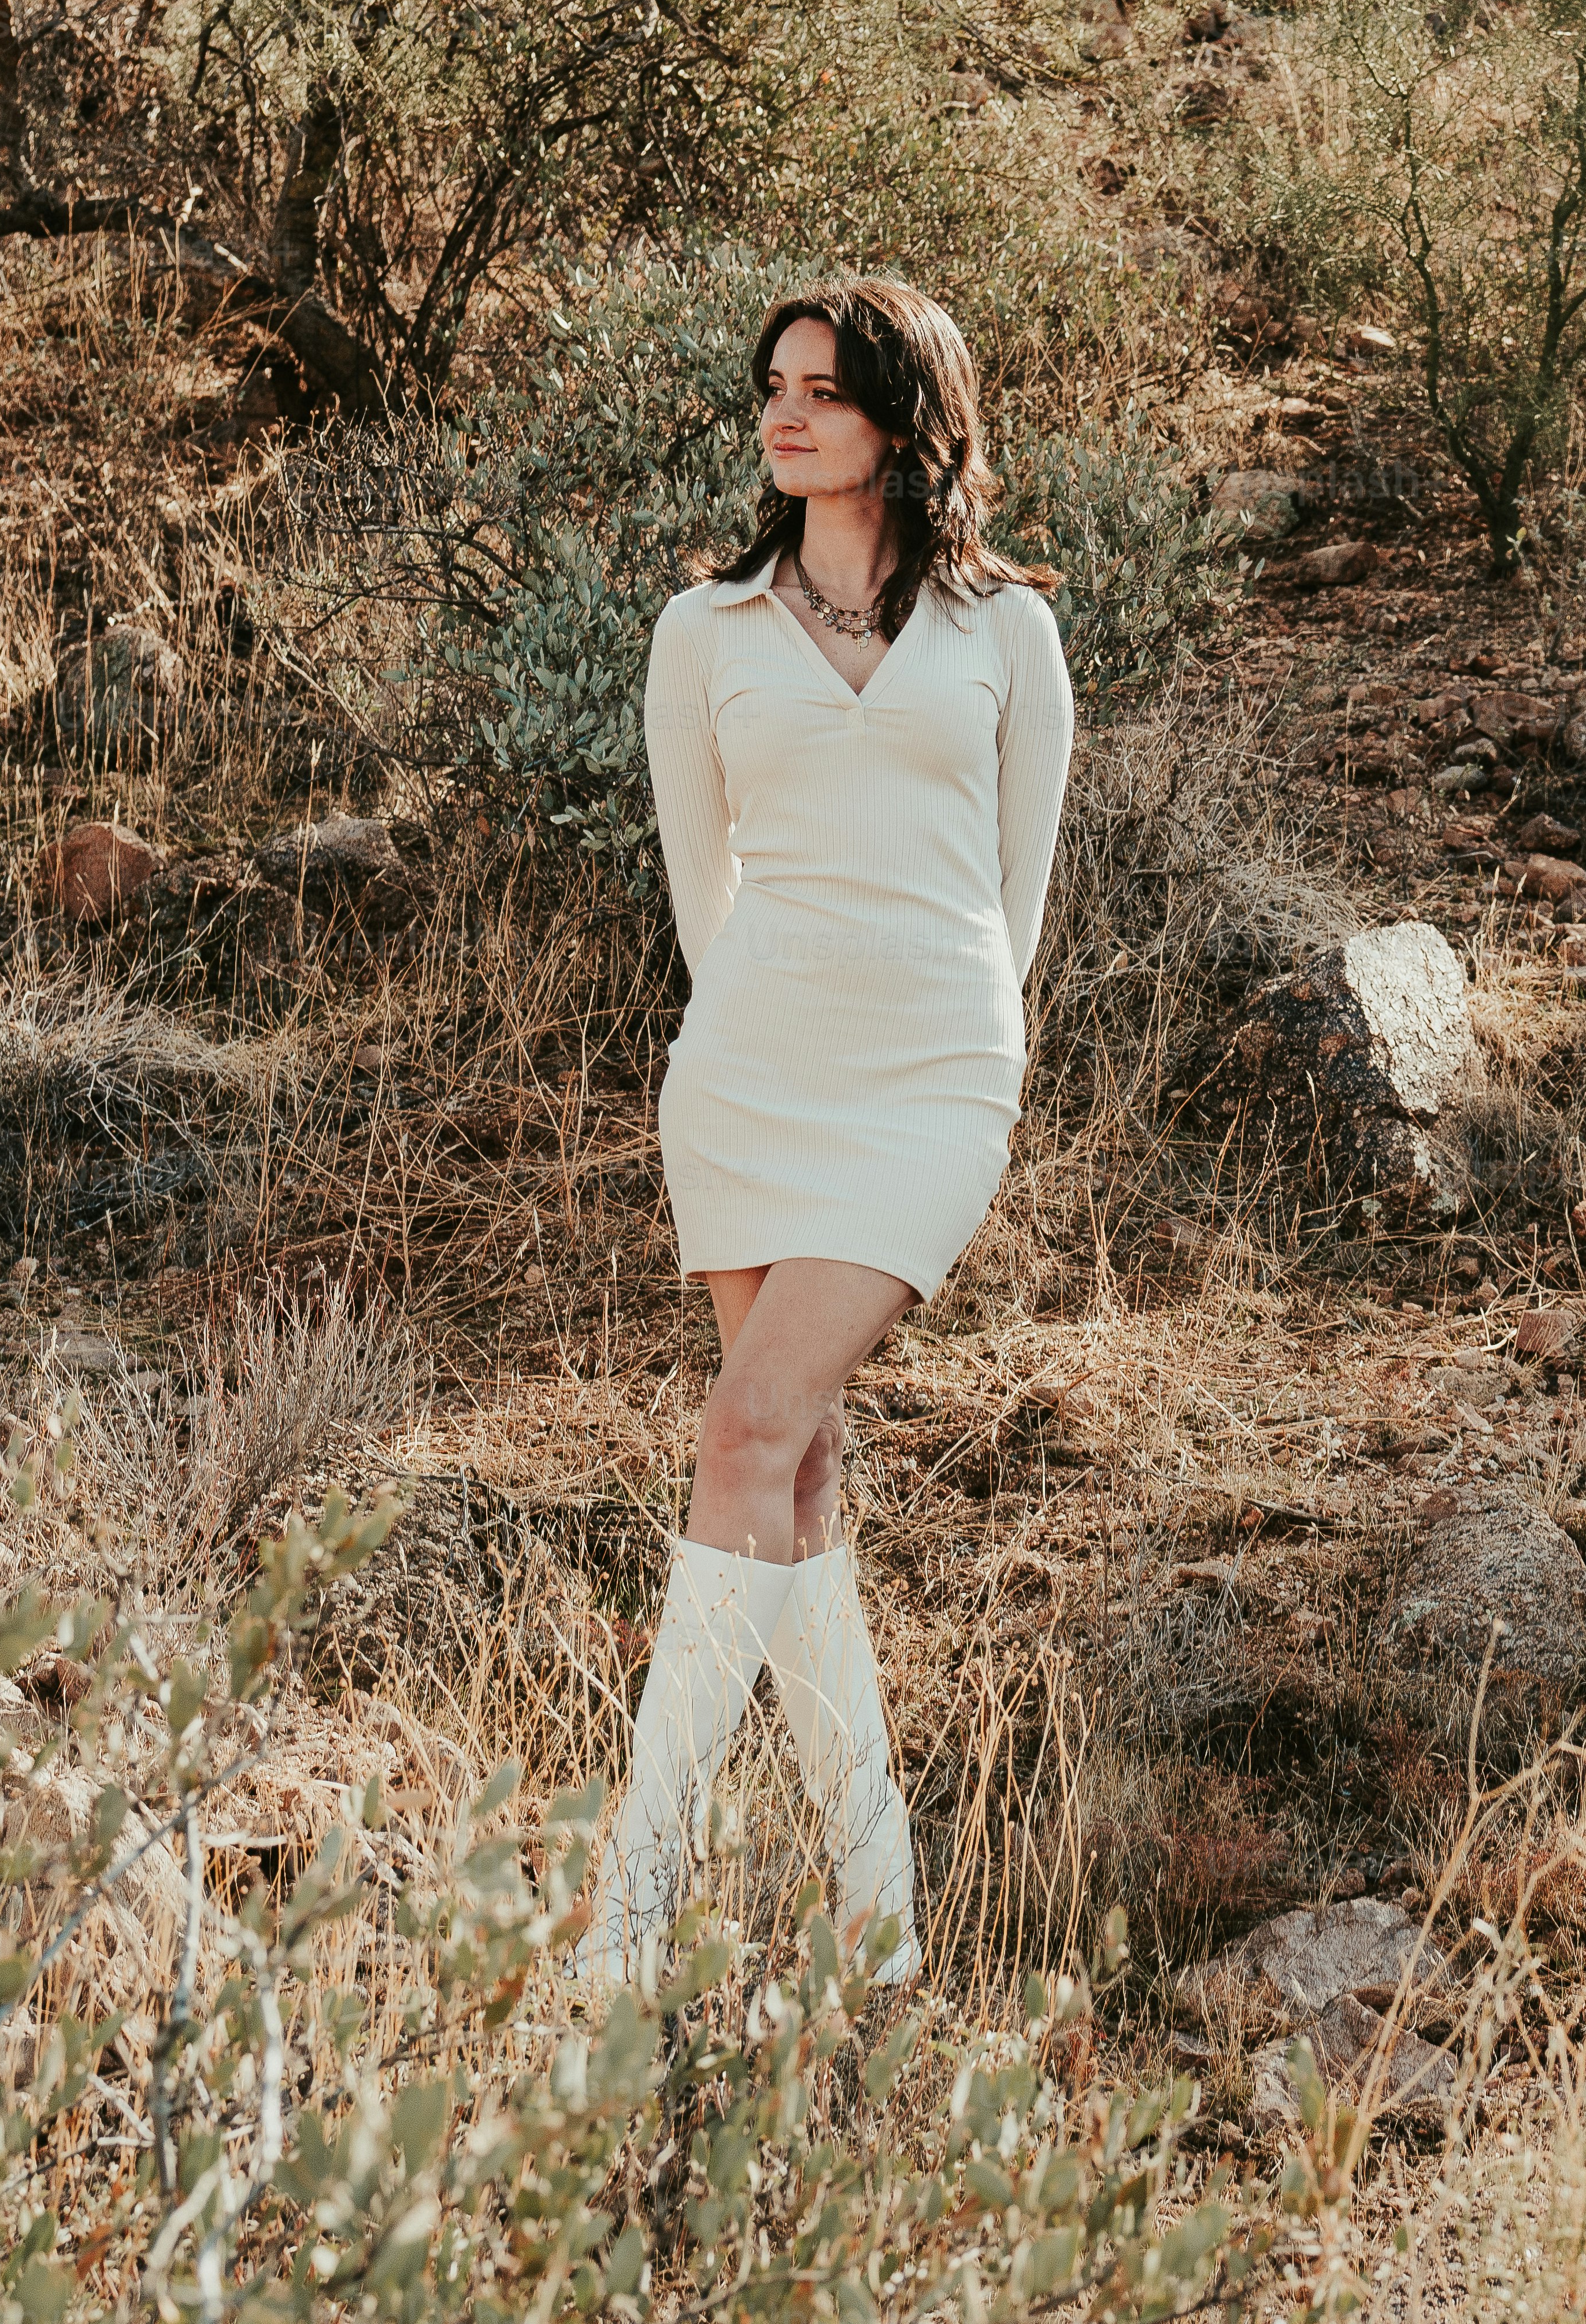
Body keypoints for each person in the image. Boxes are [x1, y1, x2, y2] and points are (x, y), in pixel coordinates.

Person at [580, 275, 1076, 1991]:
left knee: (745, 1428)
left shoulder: (1006, 631)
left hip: (933, 1082)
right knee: (788, 1467)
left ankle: (625, 1923)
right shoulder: (701, 631)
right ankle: (876, 1917)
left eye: (825, 391)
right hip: (751, 1078)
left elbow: (1014, 898)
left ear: (901, 416)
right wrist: (758, 1029)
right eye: (773, 389)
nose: (785, 416)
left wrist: (964, 1055)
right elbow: (694, 885)